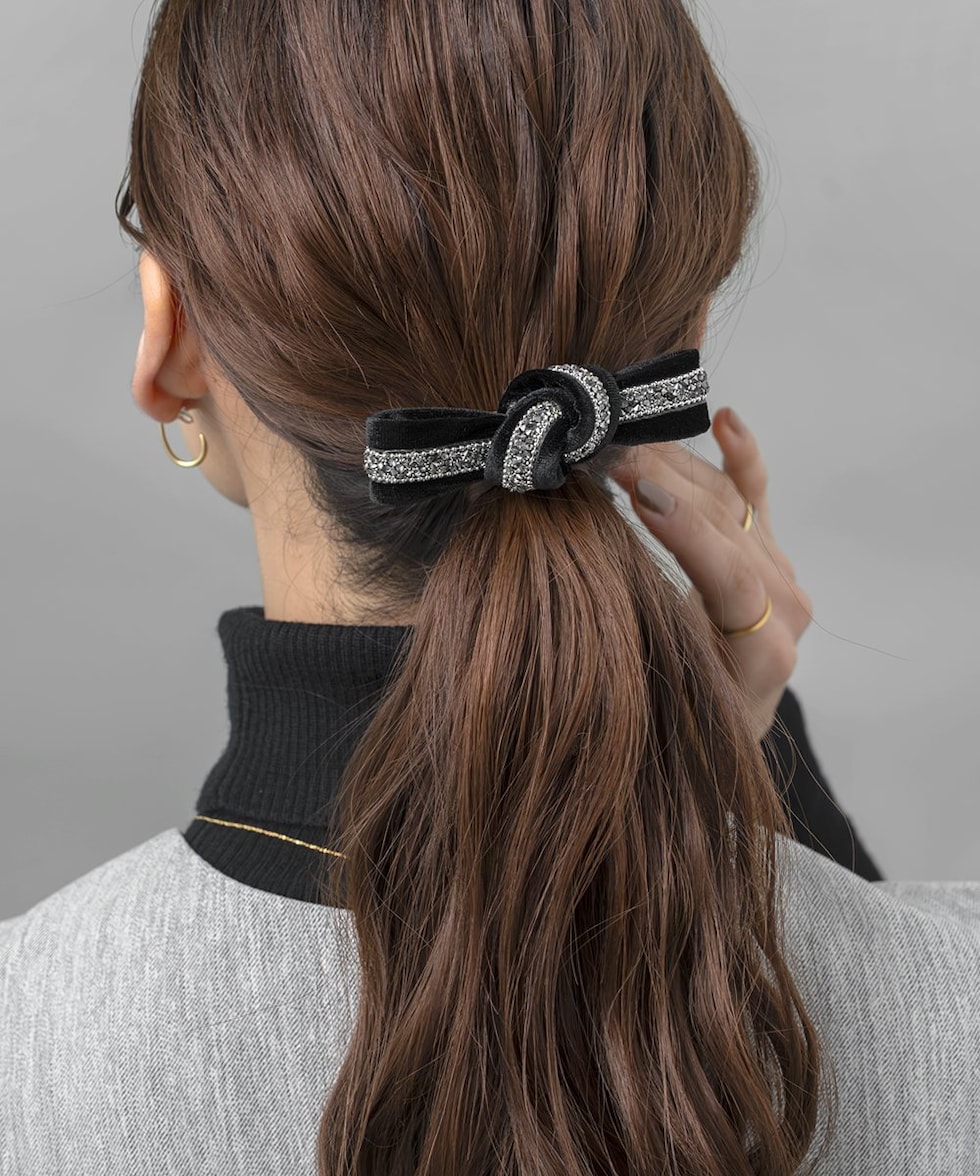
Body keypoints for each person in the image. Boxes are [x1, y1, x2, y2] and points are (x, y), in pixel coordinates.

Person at [1, 0, 977, 1173]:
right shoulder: (951, 1003)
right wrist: (745, 764)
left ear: (171, 338)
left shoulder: (27, 1048)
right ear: (678, 338)